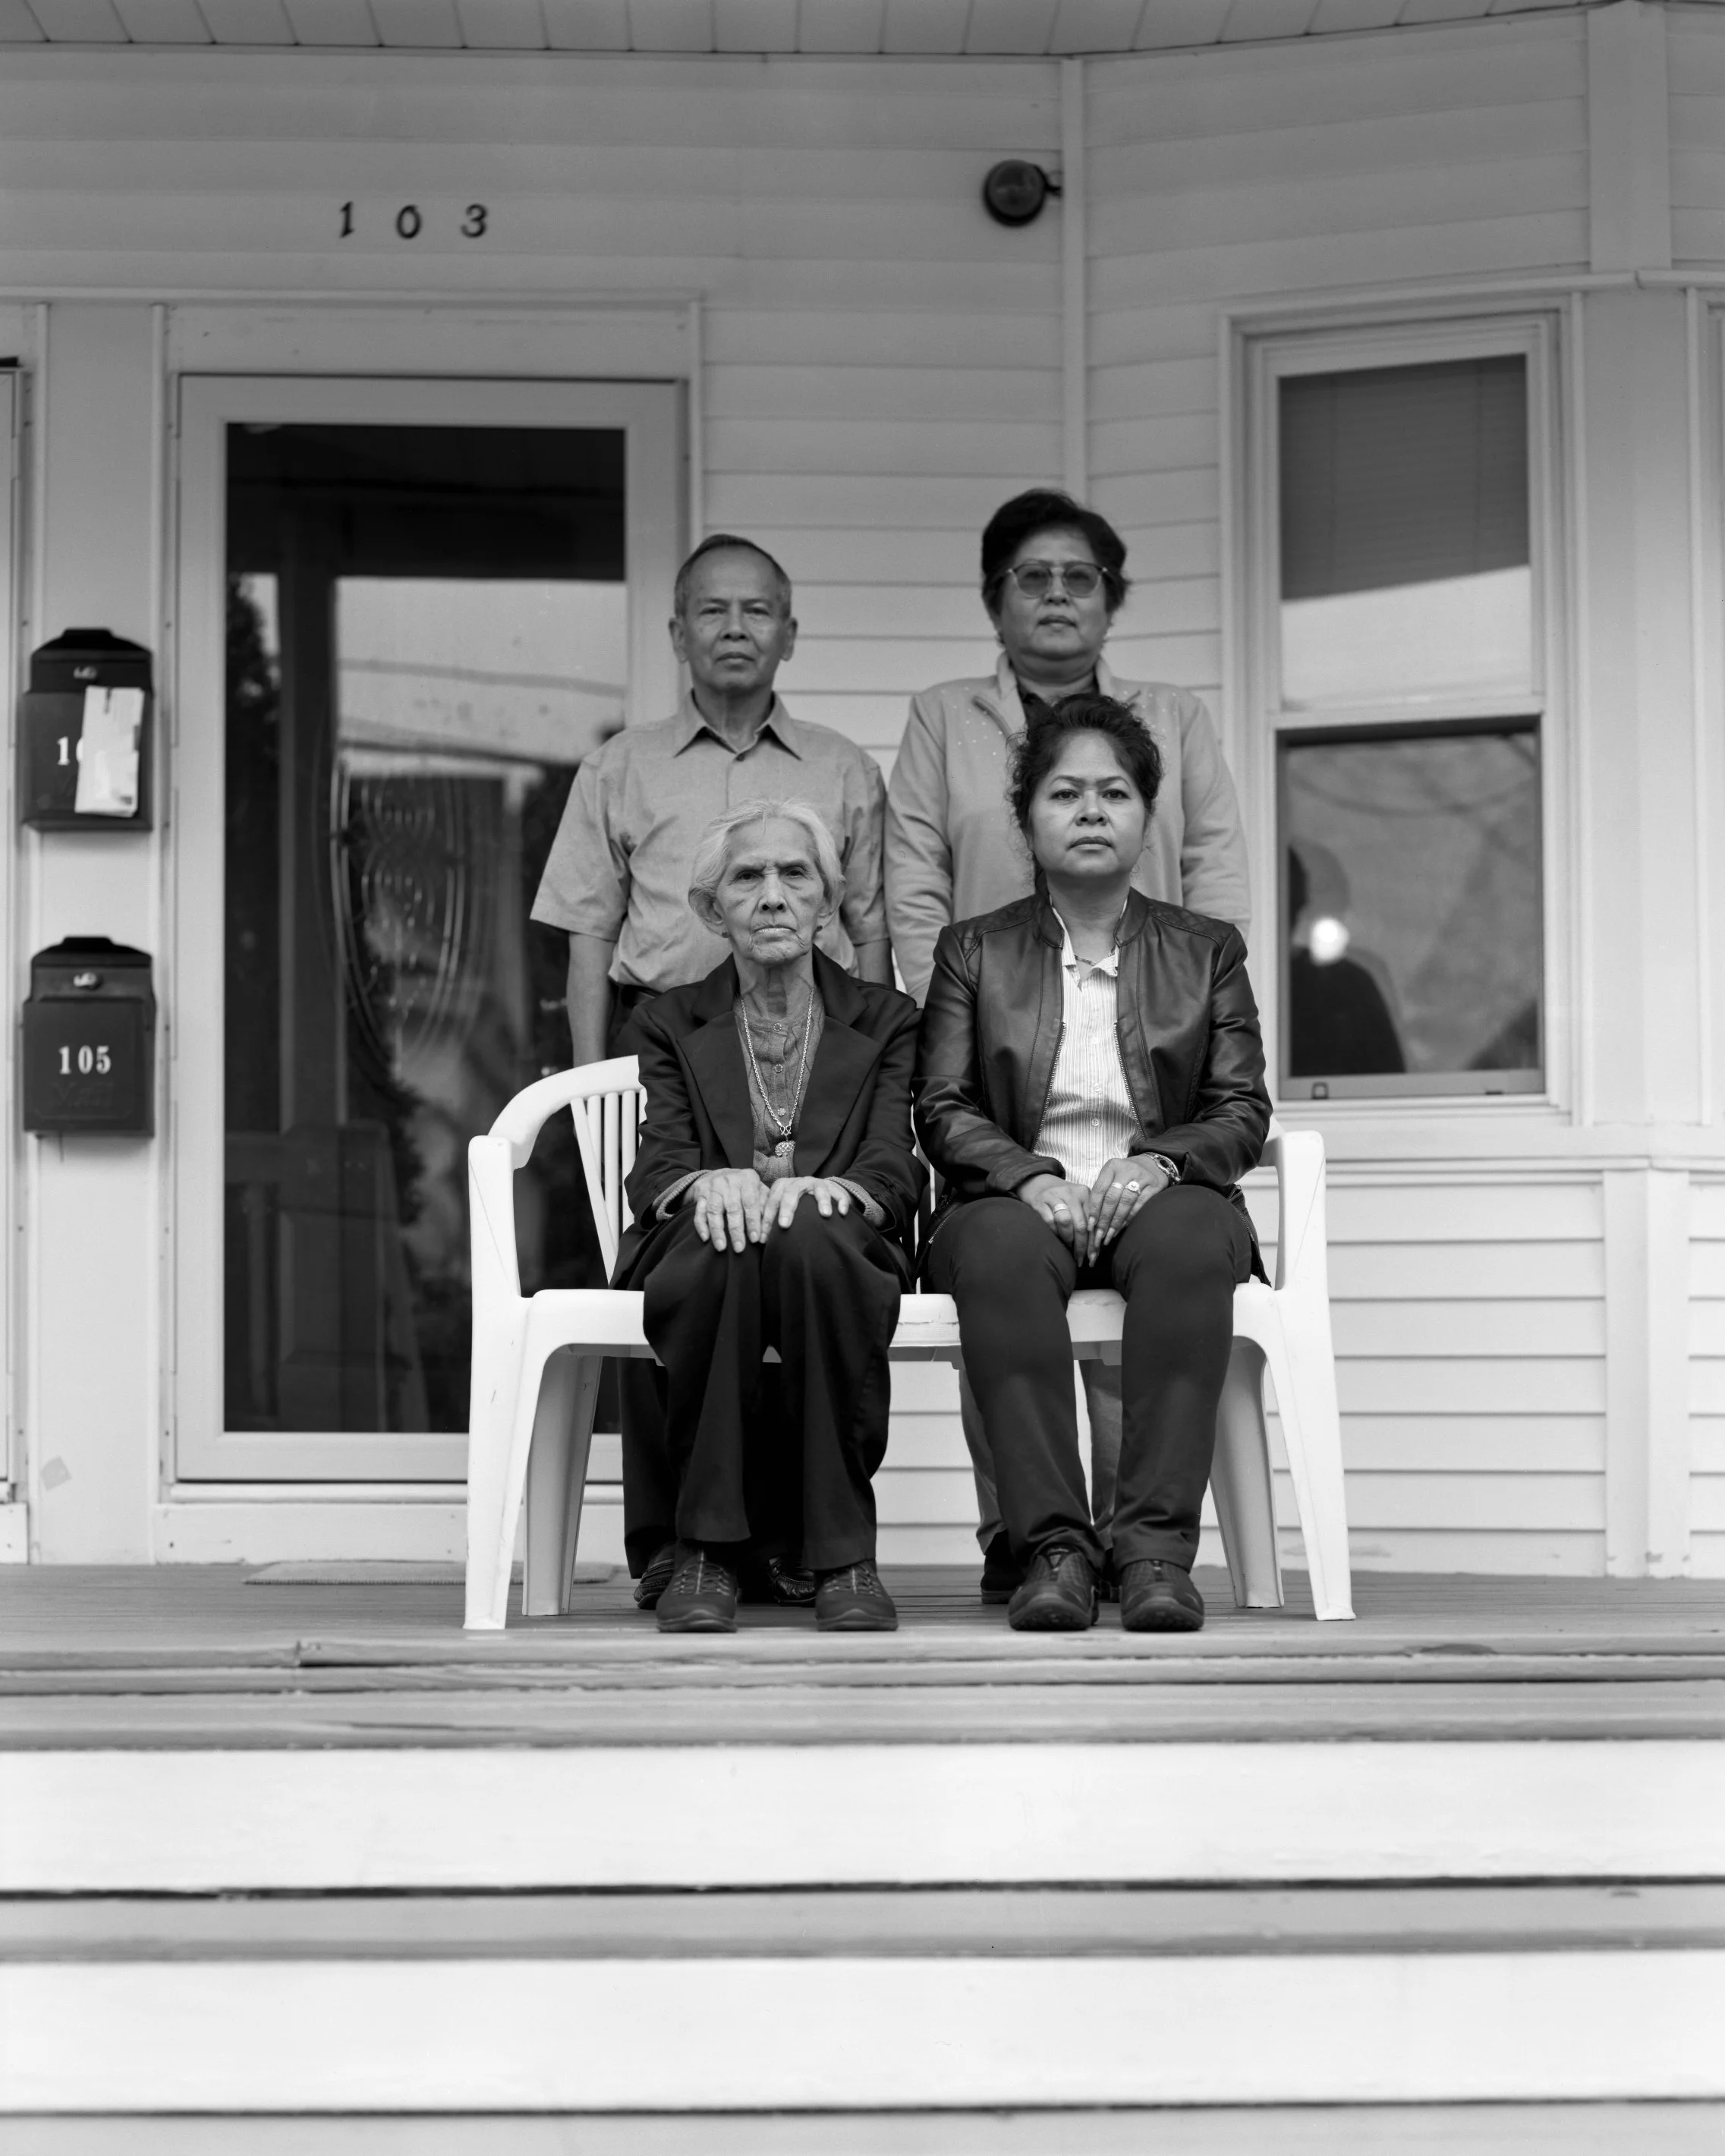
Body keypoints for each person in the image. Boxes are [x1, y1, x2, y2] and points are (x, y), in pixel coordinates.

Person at [885, 489, 1251, 1600]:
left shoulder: (1201, 946)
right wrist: (1023, 1170)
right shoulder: (971, 945)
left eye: (1111, 794)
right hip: (1015, 1142)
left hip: (1155, 1143)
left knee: (1189, 1240)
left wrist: (1164, 1159)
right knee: (995, 1249)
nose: (1089, 811)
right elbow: (941, 1100)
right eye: (1063, 793)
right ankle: (1045, 1544)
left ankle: (1146, 1553)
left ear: (1143, 811)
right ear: (1027, 814)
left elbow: (1239, 1104)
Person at [532, 534, 892, 1605]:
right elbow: (587, 933)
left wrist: (869, 1040)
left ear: (790, 630)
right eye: (712, 610)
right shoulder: (620, 764)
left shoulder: (841, 766)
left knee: (808, 1249)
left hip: (818, 1050)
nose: (735, 628)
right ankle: (686, 1545)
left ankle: (792, 1545)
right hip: (667, 1046)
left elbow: (867, 926)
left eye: (758, 610)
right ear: (678, 630)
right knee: (694, 1260)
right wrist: (606, 1090)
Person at [614, 798, 924, 1635]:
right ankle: (705, 1550)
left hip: (834, 1237)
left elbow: (891, 1160)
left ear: (828, 901)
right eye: (746, 878)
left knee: (813, 1237)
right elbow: (662, 1162)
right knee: (723, 1243)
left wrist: (833, 1191)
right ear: (711, 910)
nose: (773, 895)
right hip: (704, 1241)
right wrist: (711, 1183)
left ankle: (841, 1556)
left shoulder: (886, 1018)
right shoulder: (668, 1020)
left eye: (796, 874)